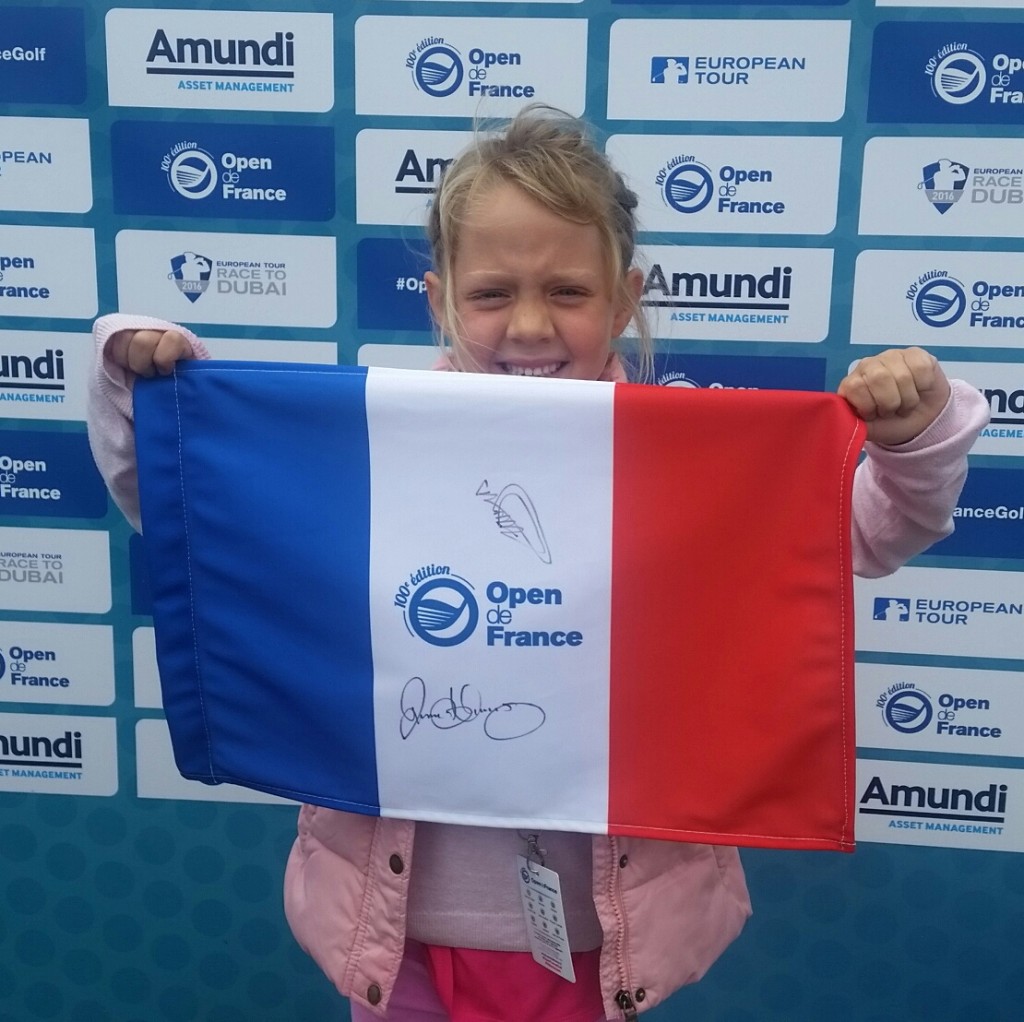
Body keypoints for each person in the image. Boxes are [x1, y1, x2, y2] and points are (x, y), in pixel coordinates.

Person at [88, 105, 990, 1022]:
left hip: (606, 943)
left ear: (624, 297)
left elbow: (871, 533)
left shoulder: (689, 452)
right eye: (490, 294)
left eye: (567, 291)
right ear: (439, 300)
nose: (528, 324)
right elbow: (200, 524)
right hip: (390, 934)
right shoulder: (363, 447)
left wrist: (915, 437)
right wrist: (143, 395)